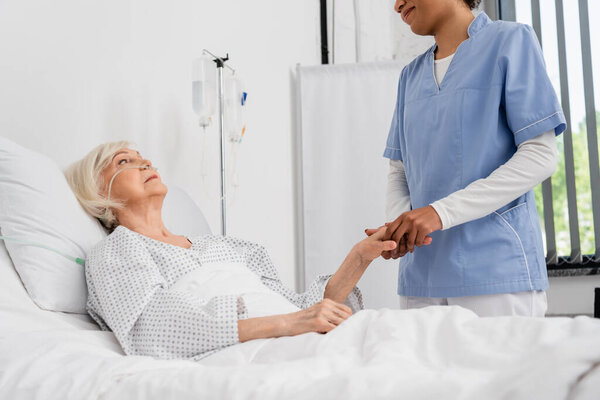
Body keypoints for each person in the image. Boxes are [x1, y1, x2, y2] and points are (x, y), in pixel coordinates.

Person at [64, 141, 397, 360]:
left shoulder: (225, 246)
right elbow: (151, 331)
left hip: (299, 339)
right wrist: (290, 323)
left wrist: (360, 256)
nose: (145, 162)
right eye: (125, 161)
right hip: (252, 353)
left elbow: (300, 308)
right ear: (98, 191)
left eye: (142, 157)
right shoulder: (117, 250)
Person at [366, 0, 566, 317]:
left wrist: (438, 213)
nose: (396, 4)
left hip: (495, 275)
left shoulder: (509, 42)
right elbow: (399, 172)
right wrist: (401, 228)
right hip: (421, 279)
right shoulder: (410, 77)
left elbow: (540, 156)